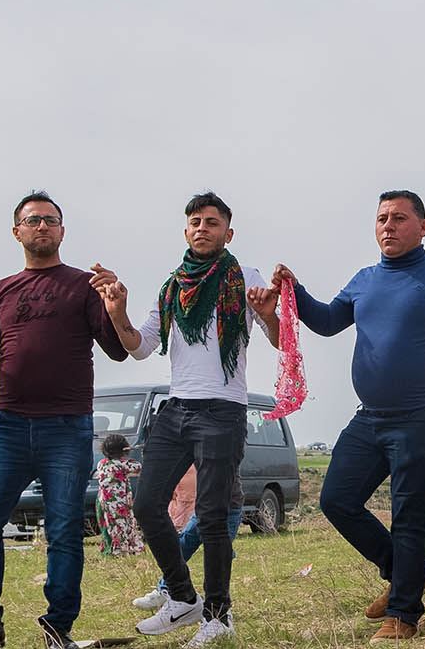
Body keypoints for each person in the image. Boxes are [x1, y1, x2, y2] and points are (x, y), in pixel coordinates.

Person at [280, 189, 425, 641]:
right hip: (370, 419)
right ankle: (404, 573)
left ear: (423, 227)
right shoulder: (364, 280)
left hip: (423, 417)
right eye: (382, 218)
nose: (388, 225)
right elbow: (327, 322)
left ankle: (403, 614)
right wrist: (295, 290)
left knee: (408, 514)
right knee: (336, 500)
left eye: (400, 218)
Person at [0, 192, 129, 649]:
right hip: (9, 426)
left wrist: (114, 308)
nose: (42, 226)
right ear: (16, 231)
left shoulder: (85, 286)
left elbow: (117, 350)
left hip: (67, 427)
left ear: (62, 231)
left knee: (64, 532)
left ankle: (58, 631)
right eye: (33, 220)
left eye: (51, 220)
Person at [96, 191, 280, 647]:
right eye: (195, 222)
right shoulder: (172, 286)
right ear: (185, 231)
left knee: (213, 516)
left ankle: (219, 616)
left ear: (228, 233)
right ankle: (182, 596)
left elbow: (277, 338)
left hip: (223, 409)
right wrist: (117, 314)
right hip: (176, 408)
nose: (202, 228)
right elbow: (140, 346)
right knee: (146, 505)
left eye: (211, 222)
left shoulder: (245, 277)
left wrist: (268, 314)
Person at [132, 471, 246, 611]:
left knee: (219, 555)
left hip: (228, 508)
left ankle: (217, 605)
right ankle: (166, 589)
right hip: (204, 507)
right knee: (183, 544)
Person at [95, 434, 144, 557]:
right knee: (122, 525)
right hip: (118, 502)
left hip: (103, 501)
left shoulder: (102, 463)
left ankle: (110, 548)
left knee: (109, 525)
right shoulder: (122, 464)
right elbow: (139, 467)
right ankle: (121, 550)